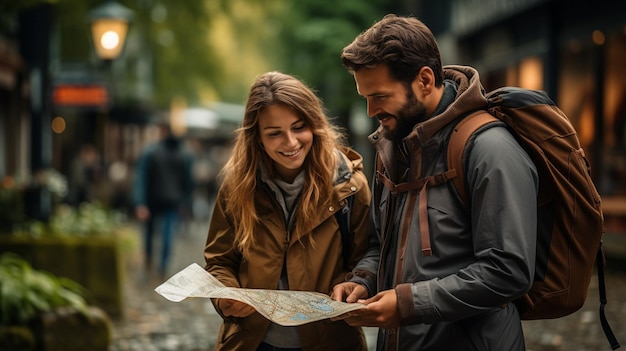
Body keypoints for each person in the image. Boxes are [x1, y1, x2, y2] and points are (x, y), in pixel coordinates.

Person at [330, 14, 539, 351]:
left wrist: (407, 304)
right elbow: (379, 244)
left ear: (424, 80)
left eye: (379, 96)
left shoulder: (489, 149)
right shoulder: (391, 147)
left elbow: (508, 271)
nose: (370, 110)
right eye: (365, 97)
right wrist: (364, 281)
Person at [203, 71, 371, 351]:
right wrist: (225, 297)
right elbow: (220, 261)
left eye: (298, 127)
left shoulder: (349, 186)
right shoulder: (237, 189)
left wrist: (358, 283)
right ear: (257, 137)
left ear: (314, 125)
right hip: (252, 342)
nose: (291, 142)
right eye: (275, 133)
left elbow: (369, 254)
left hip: (330, 341)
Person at [133, 120, 194, 279]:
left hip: (153, 200)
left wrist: (140, 203)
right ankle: (163, 266)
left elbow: (141, 178)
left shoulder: (151, 152)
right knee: (168, 234)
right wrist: (185, 202)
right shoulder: (184, 154)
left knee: (150, 233)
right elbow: (188, 182)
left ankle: (149, 260)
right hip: (173, 202)